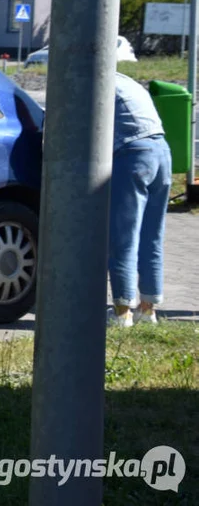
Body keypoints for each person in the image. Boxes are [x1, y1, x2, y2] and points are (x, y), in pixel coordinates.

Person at [107, 72, 172, 327]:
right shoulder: (126, 81)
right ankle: (148, 310)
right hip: (162, 152)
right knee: (152, 236)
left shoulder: (97, 81)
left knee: (124, 236)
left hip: (133, 154)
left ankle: (122, 313)